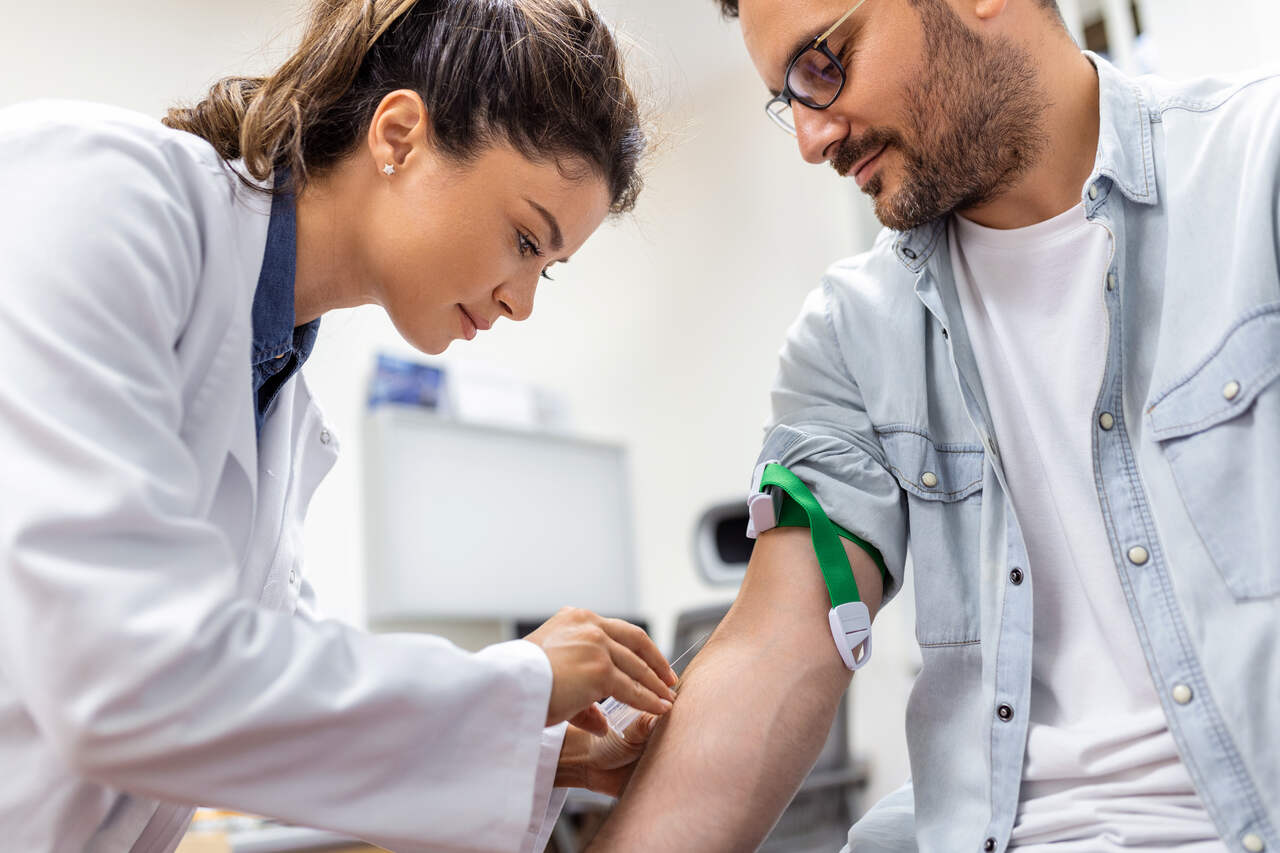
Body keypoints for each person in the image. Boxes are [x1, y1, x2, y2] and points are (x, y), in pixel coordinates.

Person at [588, 0, 1280, 850]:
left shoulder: (1256, 169)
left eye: (822, 64)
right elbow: (773, 648)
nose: (811, 138)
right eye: (787, 99)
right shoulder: (849, 337)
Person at [0, 1, 679, 851]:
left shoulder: (276, 392)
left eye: (549, 268)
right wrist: (518, 683)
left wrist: (536, 749)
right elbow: (124, 678)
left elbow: (257, 699)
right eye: (521, 238)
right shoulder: (100, 192)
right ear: (399, 135)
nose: (522, 300)